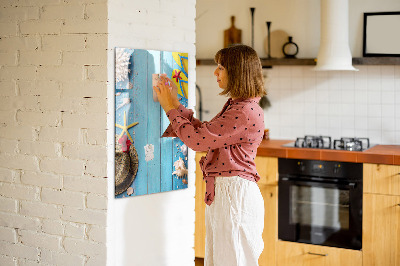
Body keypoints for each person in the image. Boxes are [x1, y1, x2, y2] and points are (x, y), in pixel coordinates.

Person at [153, 44, 266, 266]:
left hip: (234, 195)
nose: (215, 72)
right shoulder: (239, 106)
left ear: (237, 72)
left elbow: (197, 141)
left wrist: (169, 108)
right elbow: (205, 134)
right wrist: (175, 104)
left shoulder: (243, 111)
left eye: (221, 67)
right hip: (228, 193)